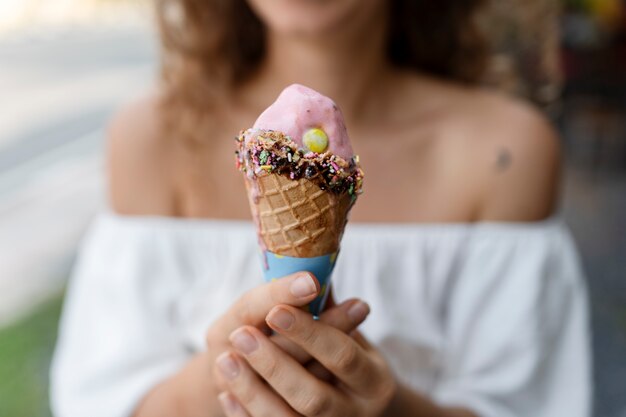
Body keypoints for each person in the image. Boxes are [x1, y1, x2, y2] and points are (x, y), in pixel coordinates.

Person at [50, 0, 591, 416]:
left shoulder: (507, 153)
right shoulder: (150, 139)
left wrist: (389, 407)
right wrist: (228, 367)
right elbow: (98, 400)